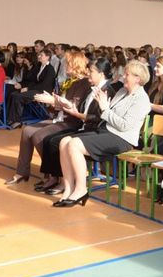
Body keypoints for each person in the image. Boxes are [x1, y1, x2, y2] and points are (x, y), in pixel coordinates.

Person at [55, 60, 151, 207]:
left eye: (127, 74)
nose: (123, 77)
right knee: (64, 142)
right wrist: (102, 106)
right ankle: (68, 189)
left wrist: (105, 109)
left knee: (74, 144)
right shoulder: (122, 92)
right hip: (106, 131)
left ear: (137, 78)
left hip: (122, 139)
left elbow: (124, 126)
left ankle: (81, 189)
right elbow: (107, 114)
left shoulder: (142, 100)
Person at [4, 52, 91, 187]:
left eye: (68, 64)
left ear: (75, 65)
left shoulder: (83, 83)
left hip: (72, 121)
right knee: (27, 131)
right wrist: (53, 101)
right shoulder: (70, 81)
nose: (65, 67)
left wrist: (53, 101)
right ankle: (22, 172)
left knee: (39, 135)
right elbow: (62, 104)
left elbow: (74, 106)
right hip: (60, 117)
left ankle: (53, 173)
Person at [38, 58, 116, 195]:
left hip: (94, 130)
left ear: (101, 74)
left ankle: (64, 181)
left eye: (91, 71)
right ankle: (55, 177)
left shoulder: (107, 91)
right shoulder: (93, 89)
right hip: (84, 125)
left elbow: (99, 118)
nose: (88, 73)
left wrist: (77, 114)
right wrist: (67, 105)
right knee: (48, 140)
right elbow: (82, 108)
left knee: (55, 142)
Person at [7, 48, 56, 129]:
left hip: (43, 91)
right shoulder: (39, 66)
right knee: (13, 94)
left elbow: (44, 85)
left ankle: (17, 121)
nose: (39, 56)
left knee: (18, 96)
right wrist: (21, 84)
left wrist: (28, 88)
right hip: (35, 89)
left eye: (41, 55)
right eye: (39, 55)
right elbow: (32, 80)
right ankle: (10, 118)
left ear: (47, 57)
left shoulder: (50, 69)